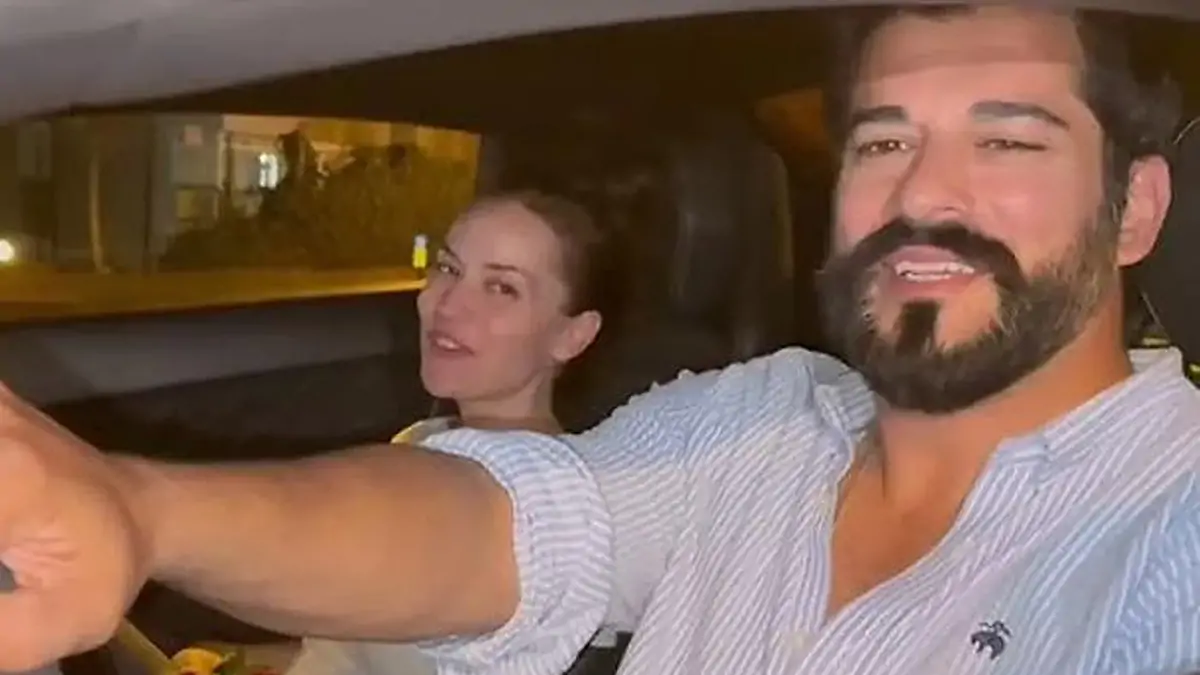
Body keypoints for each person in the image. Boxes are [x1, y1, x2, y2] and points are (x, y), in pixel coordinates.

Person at [0, 5, 1194, 675]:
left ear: (1135, 208)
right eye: (883, 141)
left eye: (1007, 140)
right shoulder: (762, 422)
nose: (922, 191)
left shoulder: (1171, 525)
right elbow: (501, 528)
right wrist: (139, 511)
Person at [284, 190, 616, 675]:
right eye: (448, 268)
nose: (449, 304)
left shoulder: (557, 526)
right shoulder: (419, 443)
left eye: (501, 288)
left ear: (572, 335)